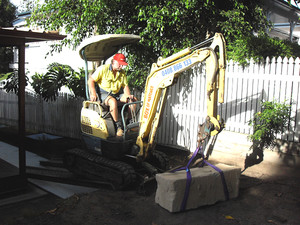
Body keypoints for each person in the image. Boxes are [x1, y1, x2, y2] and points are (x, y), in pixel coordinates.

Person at [88, 53, 137, 136]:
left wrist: (128, 96)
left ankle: (129, 123)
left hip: (116, 94)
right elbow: (91, 80)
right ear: (113, 62)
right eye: (120, 64)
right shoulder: (103, 69)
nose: (121, 67)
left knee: (133, 100)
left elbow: (125, 86)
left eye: (123, 65)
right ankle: (118, 127)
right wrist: (93, 93)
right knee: (113, 102)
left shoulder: (122, 72)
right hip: (104, 95)